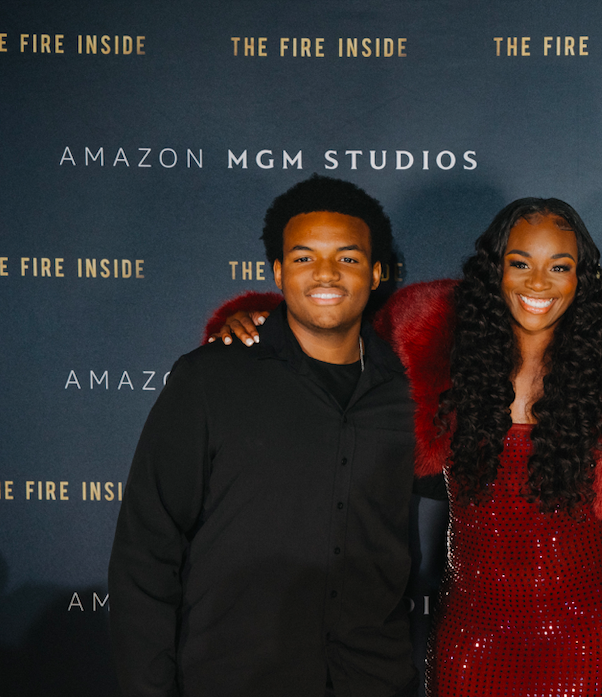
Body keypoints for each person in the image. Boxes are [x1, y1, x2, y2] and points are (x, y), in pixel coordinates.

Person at [209, 200, 602, 696]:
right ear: (497, 268)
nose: (539, 281)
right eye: (521, 263)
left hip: (587, 643)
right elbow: (335, 355)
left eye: (559, 266)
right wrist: (259, 318)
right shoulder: (425, 341)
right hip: (471, 643)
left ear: (581, 276)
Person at [108, 175, 419, 697]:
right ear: (277, 271)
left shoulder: (411, 393)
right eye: (303, 258)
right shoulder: (211, 379)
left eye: (347, 257)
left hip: (372, 679)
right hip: (233, 678)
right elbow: (147, 550)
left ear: (377, 271)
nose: (326, 273)